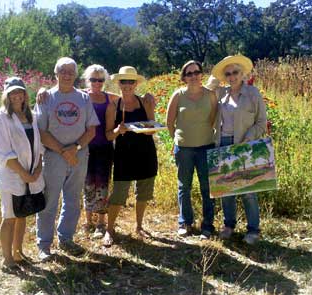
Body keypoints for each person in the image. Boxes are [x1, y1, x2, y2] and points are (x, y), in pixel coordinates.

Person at [34, 57, 99, 261]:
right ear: (56, 73)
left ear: (76, 74)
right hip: (54, 157)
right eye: (63, 70)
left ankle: (66, 239)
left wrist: (75, 148)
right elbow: (41, 132)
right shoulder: (46, 98)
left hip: (79, 156)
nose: (67, 74)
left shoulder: (84, 98)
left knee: (72, 200)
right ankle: (44, 245)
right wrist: (64, 151)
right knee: (49, 201)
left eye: (71, 71)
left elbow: (91, 129)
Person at [208, 55, 267, 245]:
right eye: (228, 73)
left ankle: (253, 229)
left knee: (248, 189)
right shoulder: (221, 93)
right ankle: (229, 225)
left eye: (235, 72)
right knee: (226, 188)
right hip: (223, 143)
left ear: (242, 74)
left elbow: (261, 122)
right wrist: (215, 79)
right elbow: (206, 90)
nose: (232, 76)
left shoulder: (253, 93)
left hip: (245, 143)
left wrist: (248, 139)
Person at [0, 77, 45, 271]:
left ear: (24, 94)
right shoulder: (1, 118)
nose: (16, 95)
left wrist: (37, 168)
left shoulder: (31, 116)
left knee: (22, 215)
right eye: (12, 92)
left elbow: (38, 146)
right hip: (12, 176)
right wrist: (23, 173)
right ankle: (7, 259)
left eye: (19, 91)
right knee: (10, 216)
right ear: (6, 94)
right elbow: (2, 151)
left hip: (30, 174)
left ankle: (18, 253)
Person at [103, 66, 157, 247]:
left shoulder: (145, 102)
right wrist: (119, 130)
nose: (127, 85)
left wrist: (146, 127)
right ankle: (109, 229)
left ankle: (139, 226)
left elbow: (152, 130)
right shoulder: (113, 107)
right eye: (123, 82)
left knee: (143, 193)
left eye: (130, 82)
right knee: (118, 194)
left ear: (136, 84)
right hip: (123, 156)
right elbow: (108, 135)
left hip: (146, 153)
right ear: (118, 84)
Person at [166, 60, 218, 239]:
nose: (194, 76)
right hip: (184, 149)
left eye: (196, 72)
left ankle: (207, 225)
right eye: (189, 73)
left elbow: (213, 119)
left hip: (206, 147)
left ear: (201, 74)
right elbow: (169, 122)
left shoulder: (210, 95)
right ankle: (185, 222)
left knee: (207, 187)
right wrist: (177, 140)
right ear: (184, 77)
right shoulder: (178, 95)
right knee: (184, 187)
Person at [81, 64, 118, 238]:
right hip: (85, 147)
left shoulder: (108, 98)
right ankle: (88, 220)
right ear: (87, 80)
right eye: (93, 79)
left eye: (101, 80)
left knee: (102, 184)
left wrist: (146, 97)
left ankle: (101, 223)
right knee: (87, 184)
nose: (97, 83)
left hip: (104, 147)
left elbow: (127, 96)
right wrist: (43, 90)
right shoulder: (81, 96)